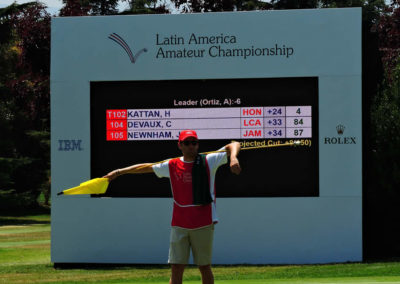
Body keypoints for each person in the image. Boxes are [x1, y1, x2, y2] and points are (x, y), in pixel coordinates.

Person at [103, 130, 241, 284]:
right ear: (180, 145)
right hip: (179, 224)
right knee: (176, 267)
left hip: (203, 222)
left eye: (194, 143)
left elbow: (234, 144)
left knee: (204, 266)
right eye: (187, 143)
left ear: (197, 145)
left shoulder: (208, 160)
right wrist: (118, 172)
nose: (191, 146)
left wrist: (233, 158)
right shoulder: (172, 164)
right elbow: (146, 167)